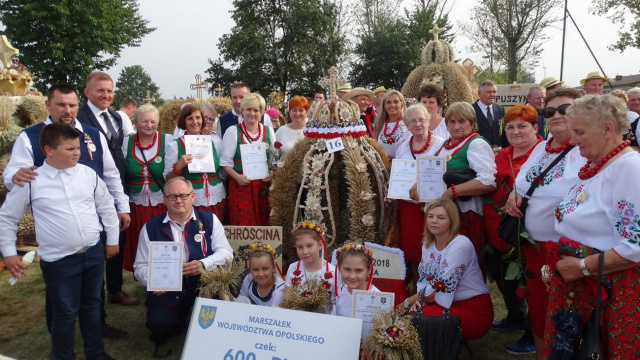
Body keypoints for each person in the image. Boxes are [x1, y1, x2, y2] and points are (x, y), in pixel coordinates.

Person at [3, 83, 132, 339]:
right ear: (48, 105)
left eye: (72, 105)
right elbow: (14, 176)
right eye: (61, 104)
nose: (67, 110)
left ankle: (97, 329)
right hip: (57, 229)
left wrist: (122, 206)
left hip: (92, 222)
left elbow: (110, 174)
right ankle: (60, 336)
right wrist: (14, 176)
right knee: (60, 295)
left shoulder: (92, 135)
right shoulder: (30, 137)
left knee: (93, 287)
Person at [0, 123, 120, 360]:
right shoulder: (31, 181)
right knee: (65, 311)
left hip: (93, 252)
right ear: (49, 150)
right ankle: (63, 355)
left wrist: (112, 239)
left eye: (77, 148)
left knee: (92, 305)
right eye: (70, 149)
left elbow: (106, 207)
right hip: (59, 260)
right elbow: (7, 217)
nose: (77, 153)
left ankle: (95, 352)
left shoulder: (87, 174)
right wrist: (8, 252)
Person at [542, 94, 640, 359]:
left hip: (608, 294)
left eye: (580, 132)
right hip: (581, 287)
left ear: (607, 128)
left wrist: (582, 267)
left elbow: (636, 246)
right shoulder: (597, 164)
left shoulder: (629, 169)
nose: (572, 140)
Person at [505, 88, 585, 358]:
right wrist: (512, 195)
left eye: (566, 109)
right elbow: (521, 183)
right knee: (540, 313)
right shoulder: (541, 146)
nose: (557, 116)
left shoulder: (585, 151)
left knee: (568, 319)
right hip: (533, 249)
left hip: (566, 253)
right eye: (550, 112)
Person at [134, 177, 233, 358]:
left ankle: (194, 319)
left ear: (193, 197)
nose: (178, 200)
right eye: (172, 196)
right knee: (159, 326)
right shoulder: (150, 227)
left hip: (204, 284)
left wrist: (203, 264)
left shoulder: (210, 219)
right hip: (169, 289)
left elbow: (226, 253)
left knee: (217, 322)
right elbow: (139, 266)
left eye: (183, 195)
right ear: (164, 199)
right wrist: (153, 282)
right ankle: (179, 320)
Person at [482, 105, 542, 355]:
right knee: (506, 282)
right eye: (510, 127)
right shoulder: (500, 155)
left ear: (535, 128)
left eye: (522, 126)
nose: (516, 132)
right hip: (498, 235)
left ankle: (532, 333)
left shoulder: (543, 154)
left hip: (527, 237)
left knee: (530, 287)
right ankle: (515, 318)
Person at [77, 71, 137, 308]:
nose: (106, 95)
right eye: (100, 90)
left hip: (116, 185)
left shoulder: (116, 117)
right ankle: (93, 298)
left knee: (117, 239)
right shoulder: (79, 118)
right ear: (87, 92)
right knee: (93, 245)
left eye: (110, 91)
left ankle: (114, 289)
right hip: (89, 189)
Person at [401, 199, 493, 341]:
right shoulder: (428, 244)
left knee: (414, 320)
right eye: (430, 216)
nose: (434, 221)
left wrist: (406, 303)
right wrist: (420, 301)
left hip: (473, 309)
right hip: (441, 301)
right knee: (413, 317)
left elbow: (439, 286)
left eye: (441, 217)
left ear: (452, 220)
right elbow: (424, 280)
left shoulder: (460, 244)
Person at [422, 102, 496, 259]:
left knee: (461, 260)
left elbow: (488, 181)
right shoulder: (444, 145)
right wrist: (419, 186)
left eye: (462, 121)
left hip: (464, 214)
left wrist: (452, 192)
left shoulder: (476, 144)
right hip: (444, 213)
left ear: (472, 123)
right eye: (452, 122)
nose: (456, 126)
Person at [392, 104, 446, 289]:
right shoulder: (402, 147)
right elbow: (398, 174)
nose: (417, 124)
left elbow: (445, 174)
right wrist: (393, 192)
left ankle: (435, 286)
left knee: (433, 244)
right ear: (406, 125)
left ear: (428, 121)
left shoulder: (441, 144)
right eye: (412, 121)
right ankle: (416, 287)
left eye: (421, 119)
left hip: (433, 207)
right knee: (412, 247)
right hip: (408, 208)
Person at [122, 104, 171, 274]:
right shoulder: (127, 142)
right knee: (141, 243)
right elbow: (120, 173)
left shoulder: (168, 140)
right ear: (135, 122)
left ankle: (165, 277)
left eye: (153, 121)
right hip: (136, 205)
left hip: (161, 204)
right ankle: (145, 279)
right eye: (144, 121)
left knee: (162, 241)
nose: (149, 125)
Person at [164, 104, 228, 222]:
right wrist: (179, 166)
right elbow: (167, 179)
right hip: (192, 201)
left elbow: (222, 172)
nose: (195, 122)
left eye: (198, 118)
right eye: (190, 118)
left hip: (217, 197)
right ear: (184, 121)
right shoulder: (174, 146)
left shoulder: (214, 141)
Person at [220, 93, 276, 226]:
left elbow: (274, 157)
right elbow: (224, 162)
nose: (252, 113)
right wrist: (238, 178)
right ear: (242, 111)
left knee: (265, 223)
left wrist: (273, 173)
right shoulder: (233, 131)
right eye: (248, 109)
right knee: (244, 224)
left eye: (256, 110)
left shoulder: (268, 130)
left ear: (261, 113)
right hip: (241, 186)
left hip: (263, 186)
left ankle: (265, 248)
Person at [283, 222, 336, 306]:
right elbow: (286, 298)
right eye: (300, 247)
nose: (305, 252)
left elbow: (336, 302)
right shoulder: (293, 268)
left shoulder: (333, 271)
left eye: (309, 246)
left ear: (320, 245)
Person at [333, 242, 379, 318]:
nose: (352, 276)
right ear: (339, 268)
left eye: (358, 270)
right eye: (347, 269)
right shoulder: (340, 290)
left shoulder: (377, 296)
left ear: (369, 270)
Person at [374, 90, 409, 158]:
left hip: (402, 166)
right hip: (383, 167)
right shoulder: (379, 124)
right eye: (388, 102)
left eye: (396, 102)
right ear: (384, 105)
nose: (392, 105)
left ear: (402, 103)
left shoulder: (409, 123)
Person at [473, 80, 507, 149]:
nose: (492, 95)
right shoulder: (471, 110)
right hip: (478, 151)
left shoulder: (500, 109)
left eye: (494, 92)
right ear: (479, 93)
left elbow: (503, 132)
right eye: (488, 92)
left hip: (499, 153)